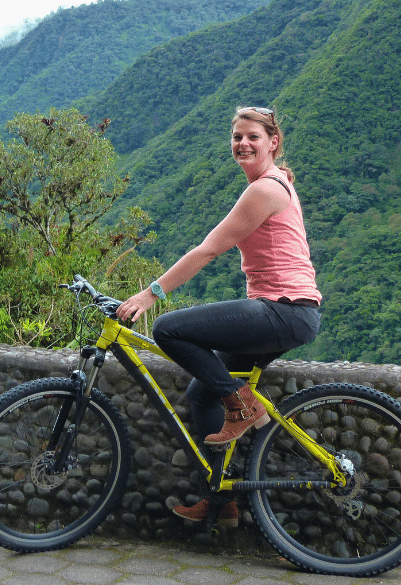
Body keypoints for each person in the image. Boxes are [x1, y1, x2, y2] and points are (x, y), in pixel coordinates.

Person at [116, 106, 321, 527]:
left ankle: (243, 407)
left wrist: (149, 294)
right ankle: (221, 500)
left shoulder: (264, 190)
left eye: (253, 137)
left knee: (168, 329)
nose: (242, 144)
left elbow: (208, 250)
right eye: (237, 137)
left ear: (273, 142)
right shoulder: (272, 184)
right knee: (200, 393)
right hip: (291, 312)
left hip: (285, 310)